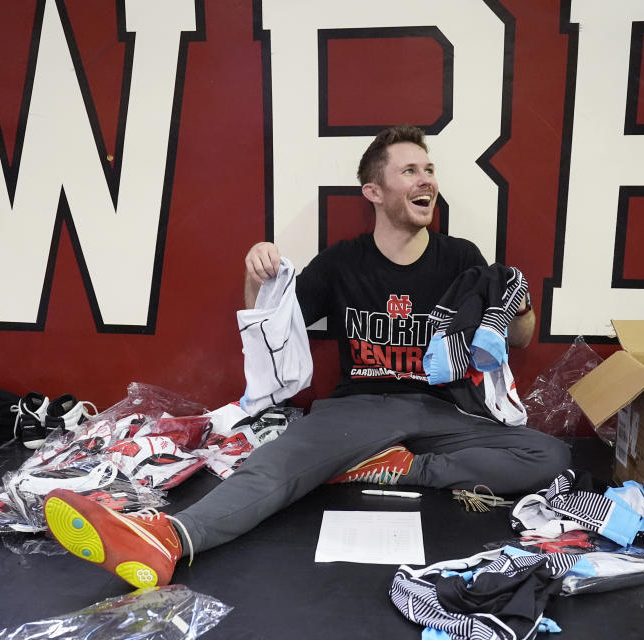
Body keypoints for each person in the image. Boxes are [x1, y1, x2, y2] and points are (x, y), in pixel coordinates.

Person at [42, 125, 571, 589]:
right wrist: (255, 280)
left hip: (440, 408)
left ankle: (404, 470)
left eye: (429, 169)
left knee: (550, 457)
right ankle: (169, 539)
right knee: (276, 469)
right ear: (374, 190)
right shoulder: (343, 260)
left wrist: (514, 301)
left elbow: (518, 339)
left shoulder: (461, 257)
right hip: (360, 406)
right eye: (409, 170)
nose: (426, 180)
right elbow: (276, 326)